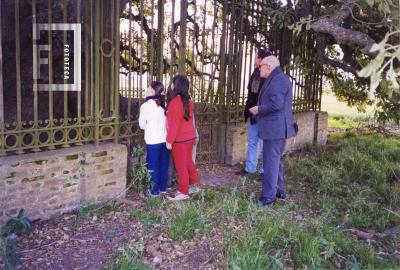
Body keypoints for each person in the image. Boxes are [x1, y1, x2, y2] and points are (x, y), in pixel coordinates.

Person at [249, 55, 296, 205]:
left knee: (270, 162)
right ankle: (279, 191)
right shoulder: (276, 78)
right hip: (275, 129)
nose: (258, 67)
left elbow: (277, 104)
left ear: (269, 66)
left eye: (260, 65)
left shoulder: (278, 80)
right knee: (276, 161)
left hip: (274, 130)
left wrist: (259, 109)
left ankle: (268, 198)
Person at [236, 48, 271, 176]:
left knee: (263, 144)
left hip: (263, 115)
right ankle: (250, 168)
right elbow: (251, 95)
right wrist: (248, 111)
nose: (254, 59)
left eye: (256, 57)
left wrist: (260, 110)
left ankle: (264, 171)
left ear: (261, 59)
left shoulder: (268, 75)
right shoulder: (255, 73)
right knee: (252, 141)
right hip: (253, 114)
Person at [166, 75, 201, 201]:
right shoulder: (188, 101)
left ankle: (183, 191)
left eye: (172, 83)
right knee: (188, 163)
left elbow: (173, 125)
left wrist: (169, 141)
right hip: (189, 137)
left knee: (181, 167)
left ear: (176, 86)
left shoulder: (175, 102)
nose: (171, 85)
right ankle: (195, 186)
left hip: (179, 140)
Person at [139, 81, 170, 197]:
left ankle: (153, 191)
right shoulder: (163, 104)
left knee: (153, 165)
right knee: (163, 164)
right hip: (164, 139)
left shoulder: (146, 106)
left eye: (148, 88)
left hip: (153, 141)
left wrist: (149, 125)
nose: (146, 90)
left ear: (152, 91)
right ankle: (163, 188)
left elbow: (142, 125)